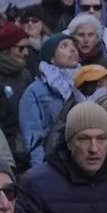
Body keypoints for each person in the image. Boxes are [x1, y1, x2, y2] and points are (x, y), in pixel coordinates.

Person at [20, 31, 81, 164]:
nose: (72, 49)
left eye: (74, 46)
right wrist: (40, 170)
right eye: (64, 46)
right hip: (52, 162)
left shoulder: (85, 84)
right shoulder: (35, 92)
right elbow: (33, 137)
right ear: (51, 57)